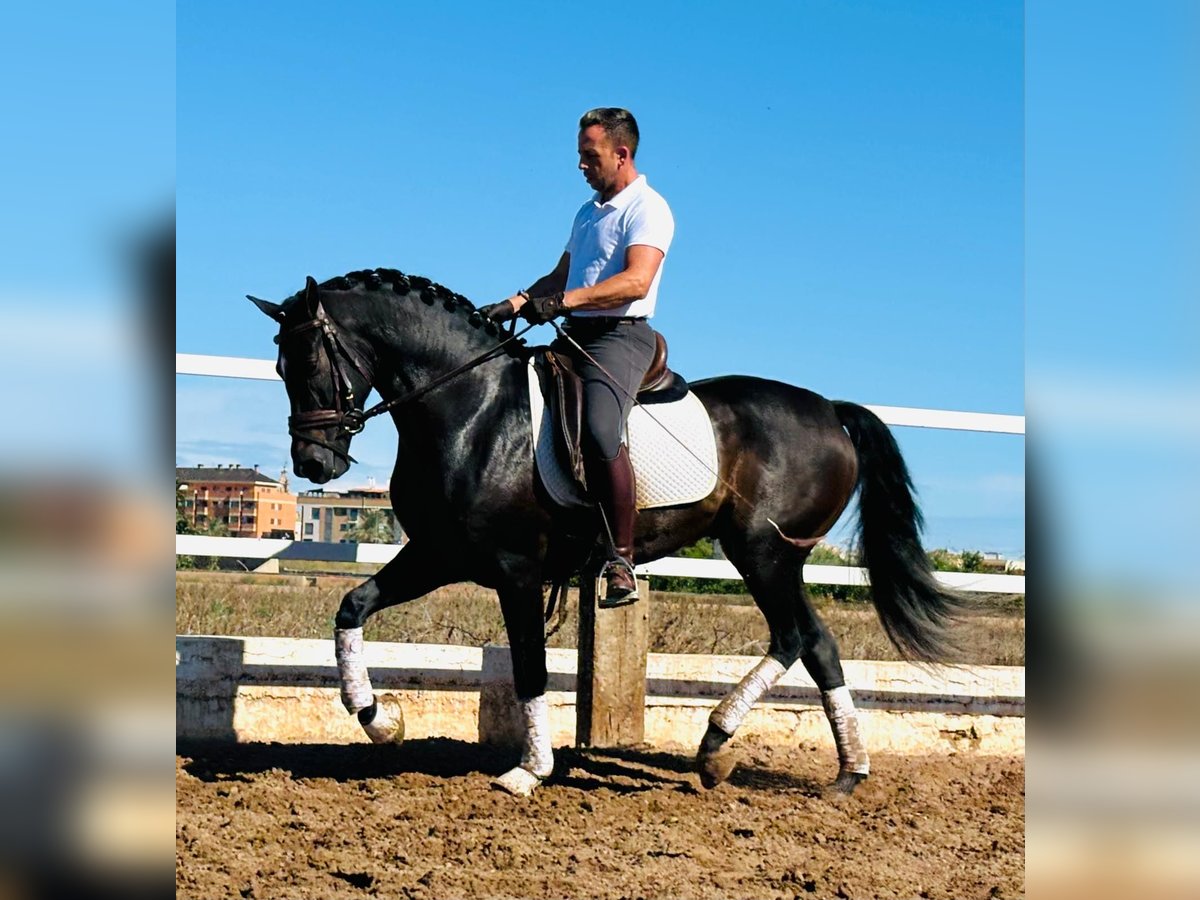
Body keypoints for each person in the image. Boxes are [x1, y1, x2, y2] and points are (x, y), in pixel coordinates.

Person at [478, 107, 675, 605]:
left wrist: (562, 303)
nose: (582, 166)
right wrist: (514, 304)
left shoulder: (648, 208)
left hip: (621, 338)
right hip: (575, 335)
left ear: (622, 153)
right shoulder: (588, 212)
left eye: (590, 156)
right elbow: (561, 276)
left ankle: (621, 558)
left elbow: (635, 280)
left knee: (601, 429)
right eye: (580, 156)